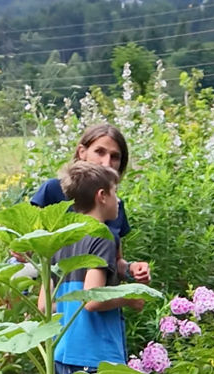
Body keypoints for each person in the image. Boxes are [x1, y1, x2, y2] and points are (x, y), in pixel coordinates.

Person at [41, 159, 146, 374]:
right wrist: (129, 297)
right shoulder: (102, 237)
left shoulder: (59, 239)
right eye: (115, 192)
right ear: (102, 196)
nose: (118, 200)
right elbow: (92, 299)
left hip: (63, 356)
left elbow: (44, 304)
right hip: (96, 360)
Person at [32, 122, 149, 284]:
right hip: (56, 298)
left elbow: (113, 260)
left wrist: (131, 269)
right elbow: (25, 242)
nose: (107, 162)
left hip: (101, 300)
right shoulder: (53, 190)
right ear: (82, 152)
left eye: (115, 157)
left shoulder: (114, 205)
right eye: (99, 152)